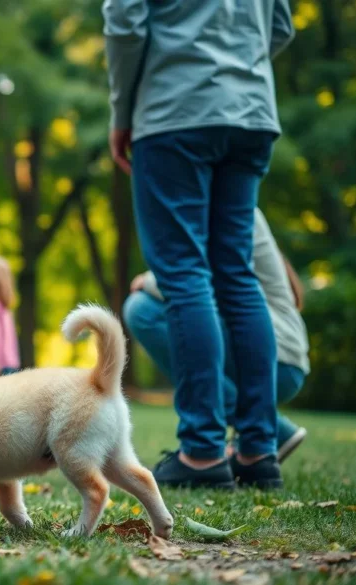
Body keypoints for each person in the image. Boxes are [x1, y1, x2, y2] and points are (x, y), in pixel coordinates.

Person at [103, 0, 295, 488]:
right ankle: (257, 451)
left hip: (175, 110)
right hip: (251, 112)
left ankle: (204, 453)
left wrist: (123, 110)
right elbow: (281, 25)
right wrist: (239, 68)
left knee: (185, 275)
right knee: (236, 274)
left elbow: (124, 19)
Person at [124, 208, 311, 462]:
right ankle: (256, 433)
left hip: (278, 361)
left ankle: (260, 430)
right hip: (284, 361)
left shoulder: (215, 207)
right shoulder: (230, 199)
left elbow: (194, 285)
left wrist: (149, 281)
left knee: (142, 310)